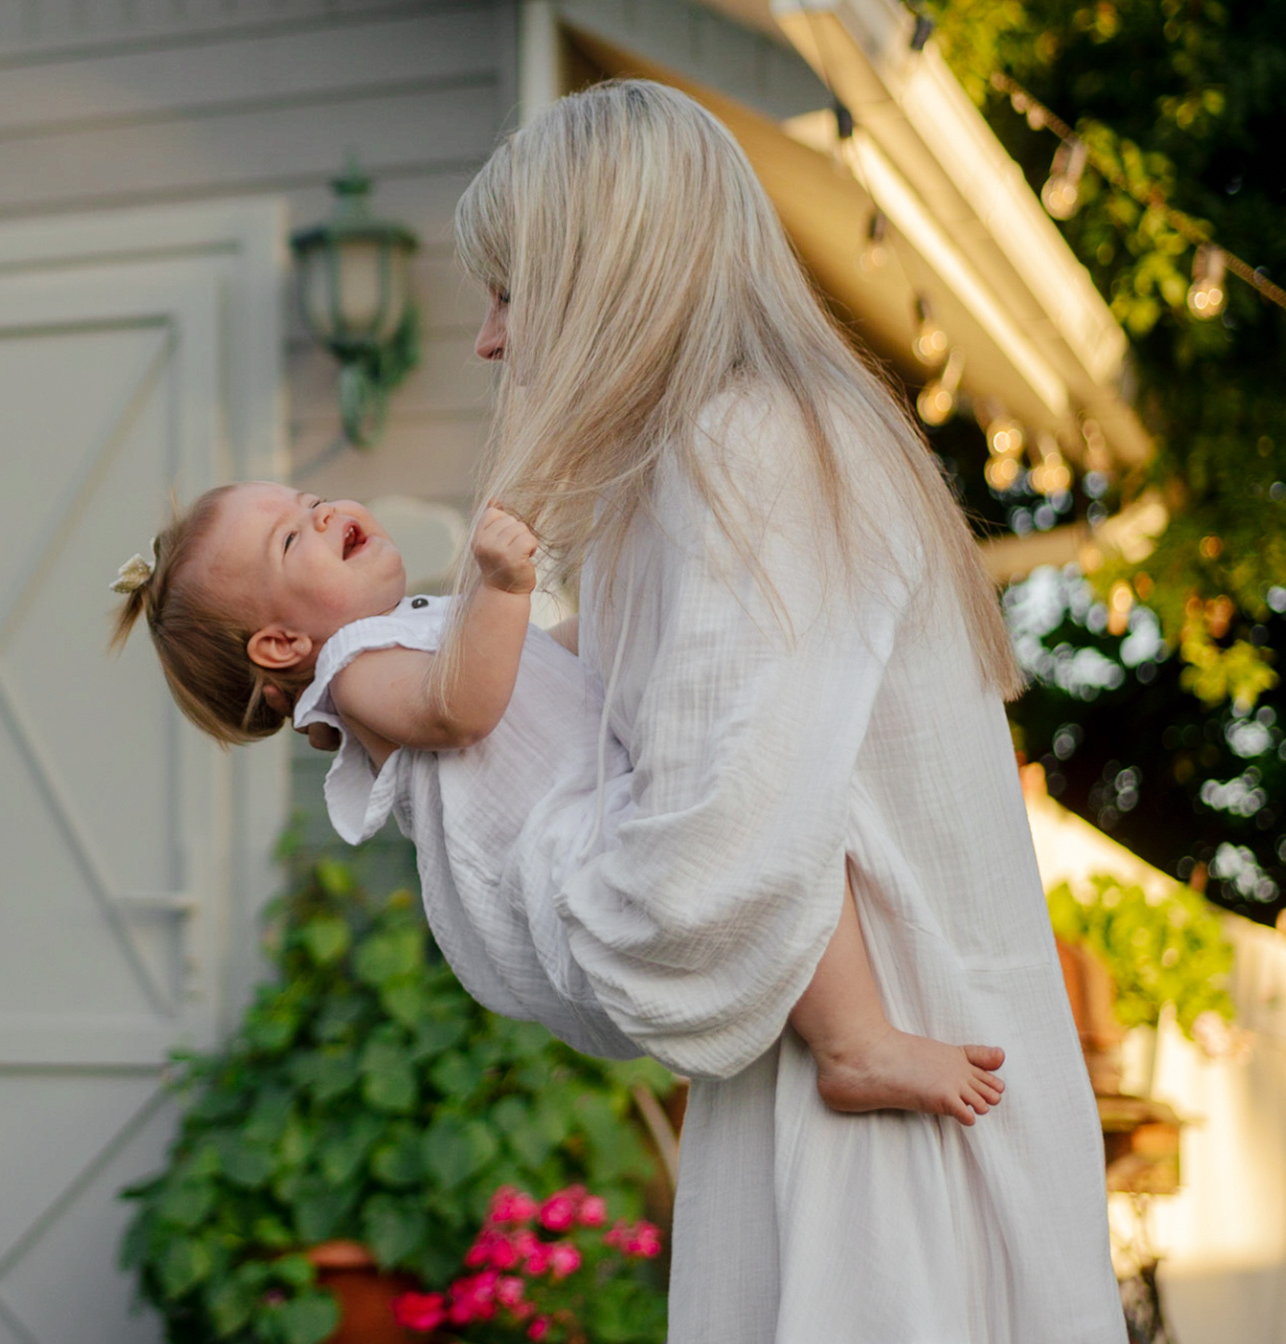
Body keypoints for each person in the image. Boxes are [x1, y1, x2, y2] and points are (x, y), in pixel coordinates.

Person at [431, 79, 1115, 1340]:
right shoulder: (708, 465)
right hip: (852, 1105)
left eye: (513, 290)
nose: (488, 340)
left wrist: (500, 831)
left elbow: (703, 875)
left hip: (888, 1152)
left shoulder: (751, 455)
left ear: (607, 280)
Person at [111, 485, 1008, 1128]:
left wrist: (626, 601)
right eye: (290, 540)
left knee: (776, 815)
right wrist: (504, 589)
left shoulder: (414, 625)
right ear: (280, 642)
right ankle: (854, 1044)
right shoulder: (355, 670)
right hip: (576, 856)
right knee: (765, 820)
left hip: (602, 798)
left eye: (308, 501)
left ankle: (850, 1028)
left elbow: (549, 669)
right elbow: (459, 709)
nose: (324, 514)